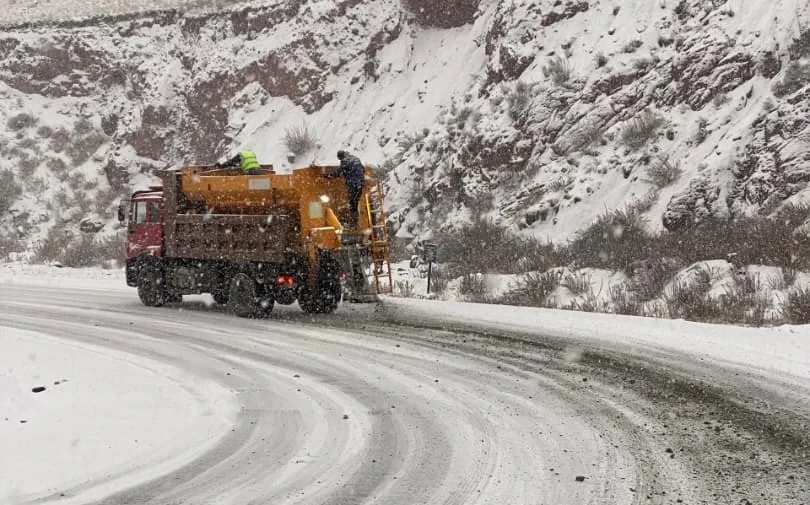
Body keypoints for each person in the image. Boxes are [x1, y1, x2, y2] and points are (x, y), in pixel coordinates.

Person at [324, 150, 365, 229]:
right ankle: (355, 223)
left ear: (341, 156)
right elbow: (363, 170)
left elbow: (337, 173)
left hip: (353, 184)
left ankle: (353, 224)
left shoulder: (345, 161)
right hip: (360, 184)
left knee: (352, 203)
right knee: (355, 203)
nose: (340, 160)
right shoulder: (356, 158)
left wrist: (327, 176)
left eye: (339, 158)